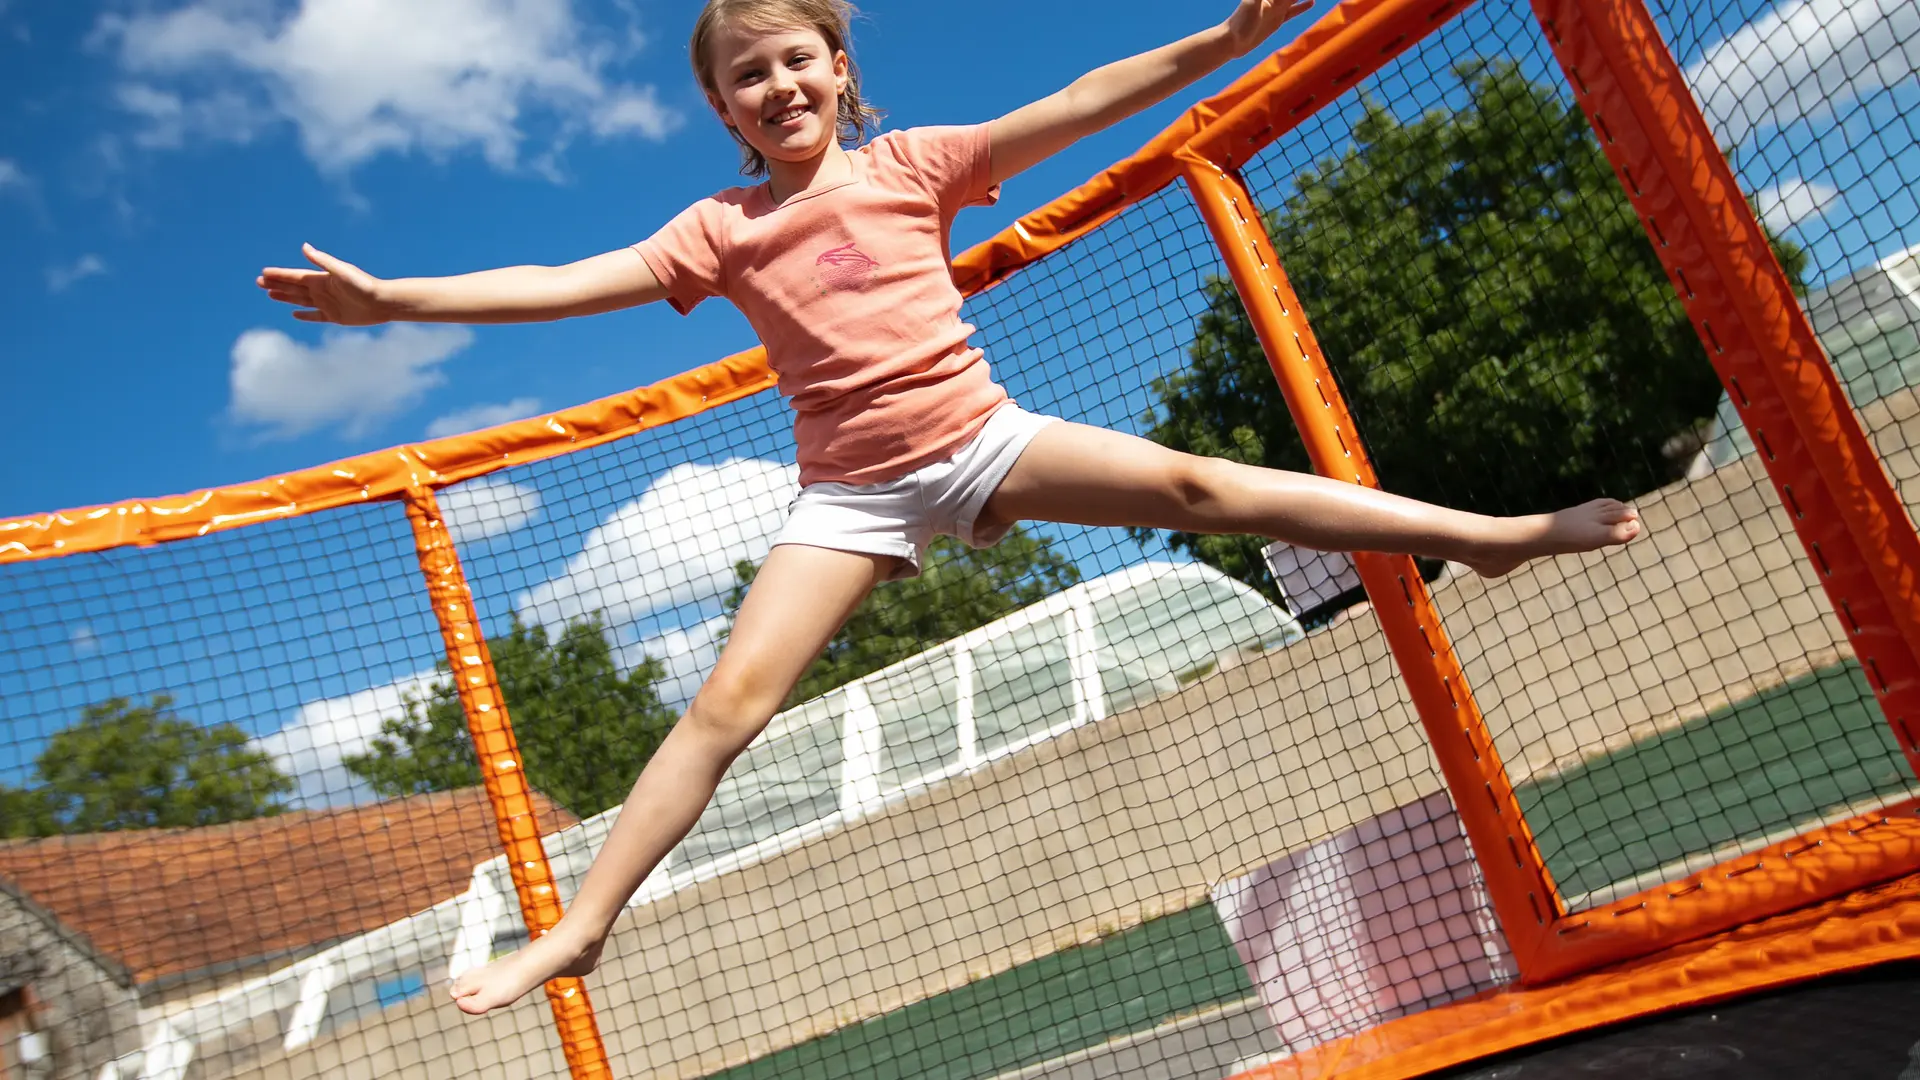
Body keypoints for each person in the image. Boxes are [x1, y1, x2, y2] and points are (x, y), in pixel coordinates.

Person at [258, 0, 1641, 1016]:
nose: (778, 84)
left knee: (1197, 486)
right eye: (748, 76)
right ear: (727, 112)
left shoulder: (914, 163)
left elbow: (1090, 98)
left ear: (838, 69)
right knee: (728, 705)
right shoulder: (719, 230)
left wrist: (1224, 40)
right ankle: (582, 926)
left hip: (978, 440)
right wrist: (394, 300)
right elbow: (562, 280)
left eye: (796, 58)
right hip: (851, 494)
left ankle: (1486, 537)